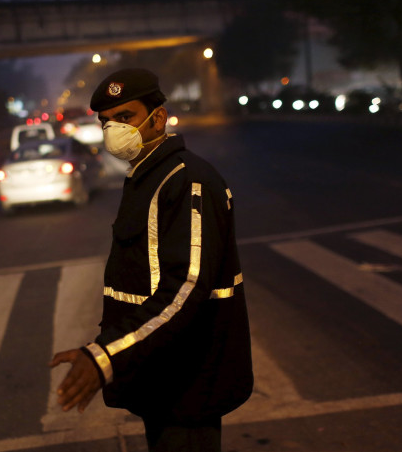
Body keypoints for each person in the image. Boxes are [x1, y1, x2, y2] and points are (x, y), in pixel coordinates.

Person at [50, 68, 253, 452]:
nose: (113, 130)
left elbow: (185, 289)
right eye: (106, 122)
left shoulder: (186, 179)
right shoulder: (148, 176)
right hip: (161, 374)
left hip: (189, 382)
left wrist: (105, 356)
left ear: (157, 117)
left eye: (124, 117)